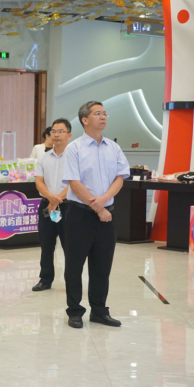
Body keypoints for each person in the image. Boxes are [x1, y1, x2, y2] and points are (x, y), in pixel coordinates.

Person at [62, 101, 130, 329]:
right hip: (79, 215)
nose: (103, 117)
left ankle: (99, 311)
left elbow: (120, 177)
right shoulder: (74, 148)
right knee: (74, 266)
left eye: (104, 113)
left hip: (107, 217)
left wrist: (105, 201)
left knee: (102, 266)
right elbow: (74, 182)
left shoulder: (114, 147)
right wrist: (98, 207)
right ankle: (74, 311)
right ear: (85, 119)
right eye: (97, 113)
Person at [32, 118, 72, 292]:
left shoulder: (75, 157)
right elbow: (39, 182)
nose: (56, 135)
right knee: (46, 244)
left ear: (69, 135)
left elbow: (76, 183)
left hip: (68, 206)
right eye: (54, 131)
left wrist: (57, 200)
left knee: (70, 245)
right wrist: (51, 199)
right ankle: (45, 279)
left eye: (61, 131)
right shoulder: (43, 158)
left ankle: (71, 280)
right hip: (46, 206)